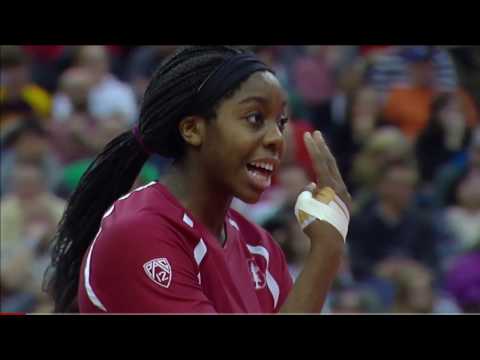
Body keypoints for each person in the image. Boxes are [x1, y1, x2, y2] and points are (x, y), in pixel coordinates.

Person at [45, 46, 352, 314]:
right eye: (255, 118)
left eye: (281, 122)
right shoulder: (138, 233)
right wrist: (326, 251)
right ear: (192, 129)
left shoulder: (261, 249)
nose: (276, 138)